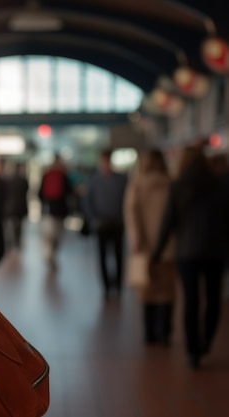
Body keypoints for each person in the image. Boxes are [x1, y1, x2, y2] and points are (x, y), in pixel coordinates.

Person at [151, 144, 229, 369]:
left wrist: (156, 254)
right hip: (215, 251)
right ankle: (206, 342)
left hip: (186, 252)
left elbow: (168, 223)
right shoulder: (220, 185)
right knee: (213, 299)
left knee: (191, 301)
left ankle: (192, 351)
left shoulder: (177, 186)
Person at [123, 149, 178, 345]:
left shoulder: (137, 184)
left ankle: (149, 333)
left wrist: (135, 237)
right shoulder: (171, 183)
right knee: (167, 291)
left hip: (143, 246)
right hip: (169, 246)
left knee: (147, 290)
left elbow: (131, 213)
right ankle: (164, 333)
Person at [85, 148, 128, 297]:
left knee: (118, 256)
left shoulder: (121, 180)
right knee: (102, 256)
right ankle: (106, 287)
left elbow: (127, 202)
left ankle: (119, 285)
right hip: (101, 223)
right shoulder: (94, 181)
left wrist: (124, 219)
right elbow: (88, 202)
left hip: (117, 223)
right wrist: (93, 219)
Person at [38, 153, 73, 270]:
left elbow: (39, 193)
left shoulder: (46, 175)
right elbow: (69, 192)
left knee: (48, 235)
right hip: (61, 211)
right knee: (57, 235)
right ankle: (52, 254)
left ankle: (49, 254)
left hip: (48, 209)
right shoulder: (63, 175)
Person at [2, 160, 29, 250]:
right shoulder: (23, 180)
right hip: (20, 207)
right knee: (18, 225)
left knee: (9, 225)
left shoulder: (6, 180)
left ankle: (9, 243)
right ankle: (17, 242)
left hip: (9, 207)